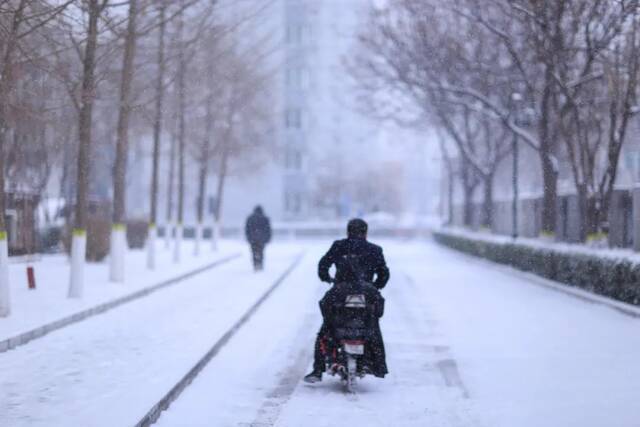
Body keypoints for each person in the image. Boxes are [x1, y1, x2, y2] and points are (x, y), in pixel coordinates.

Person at [304, 218, 390, 383]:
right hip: (367, 292)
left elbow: (323, 265)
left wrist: (327, 279)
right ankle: (377, 365)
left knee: (326, 328)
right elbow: (384, 274)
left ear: (348, 231)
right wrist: (375, 286)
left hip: (340, 292)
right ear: (365, 232)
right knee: (373, 326)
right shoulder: (375, 250)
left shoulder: (339, 246)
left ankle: (318, 369)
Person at [245, 205, 272, 271]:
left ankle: (255, 264)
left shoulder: (250, 218)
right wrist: (267, 238)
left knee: (254, 251)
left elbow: (247, 229)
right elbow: (268, 229)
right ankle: (260, 263)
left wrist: (248, 237)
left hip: (253, 238)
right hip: (262, 239)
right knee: (261, 251)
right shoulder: (265, 218)